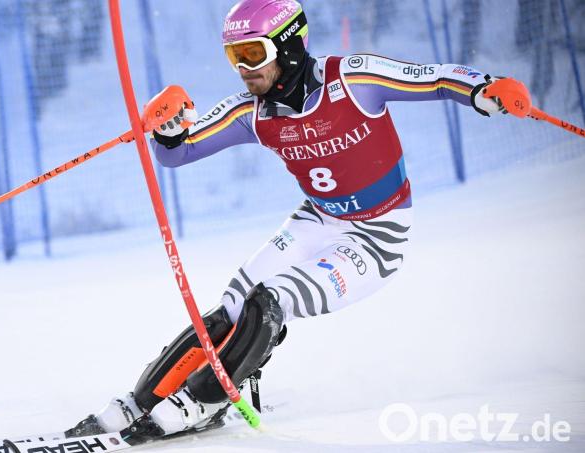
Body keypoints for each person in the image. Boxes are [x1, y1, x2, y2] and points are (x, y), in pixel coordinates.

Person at [68, 0, 519, 442]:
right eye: (234, 57)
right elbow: (181, 152)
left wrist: (484, 88)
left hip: (377, 237)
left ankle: (203, 401)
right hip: (317, 220)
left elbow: (433, 78)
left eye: (252, 53)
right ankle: (138, 402)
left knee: (270, 301)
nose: (244, 68)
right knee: (233, 305)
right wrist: (168, 130)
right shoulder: (253, 112)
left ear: (288, 47)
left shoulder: (354, 78)